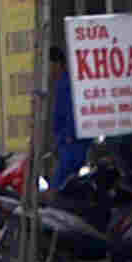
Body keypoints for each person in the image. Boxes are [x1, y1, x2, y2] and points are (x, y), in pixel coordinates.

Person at [50, 47, 87, 181]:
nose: (48, 71)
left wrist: (67, 137)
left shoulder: (67, 84)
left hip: (72, 143)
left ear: (57, 64)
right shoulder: (61, 83)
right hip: (66, 142)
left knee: (63, 183)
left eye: (49, 66)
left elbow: (71, 112)